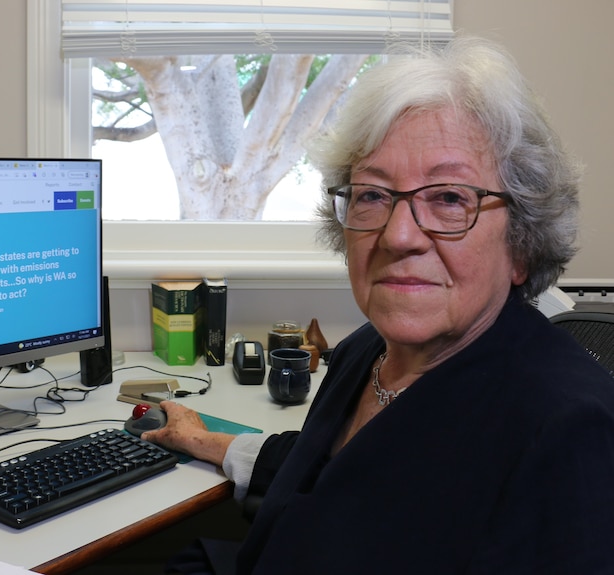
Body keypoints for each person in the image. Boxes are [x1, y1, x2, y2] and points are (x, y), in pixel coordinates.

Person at [142, 35, 614, 574]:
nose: (398, 236)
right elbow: (333, 469)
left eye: (450, 198)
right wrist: (209, 441)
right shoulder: (367, 352)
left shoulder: (570, 433)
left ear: (522, 245)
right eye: (372, 195)